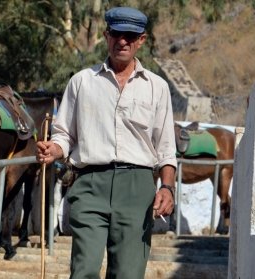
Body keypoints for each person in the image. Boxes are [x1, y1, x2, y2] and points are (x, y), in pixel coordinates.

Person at [36, 6, 177, 279]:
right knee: (84, 270)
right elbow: (64, 134)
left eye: (130, 35)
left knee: (127, 274)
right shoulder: (81, 82)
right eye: (116, 34)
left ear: (141, 40)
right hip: (89, 184)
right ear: (106, 35)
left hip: (137, 189)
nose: (122, 41)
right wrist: (54, 149)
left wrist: (167, 187)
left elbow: (166, 148)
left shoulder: (157, 87)